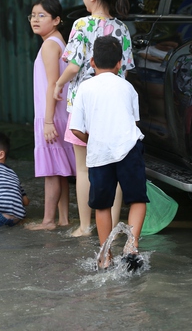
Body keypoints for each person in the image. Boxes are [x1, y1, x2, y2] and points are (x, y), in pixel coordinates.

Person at [54, 0, 135, 237]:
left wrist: (58, 84)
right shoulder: (123, 29)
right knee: (116, 162)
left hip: (83, 107)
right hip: (115, 109)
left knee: (84, 168)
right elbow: (125, 71)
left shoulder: (81, 25)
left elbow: (74, 64)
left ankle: (86, 226)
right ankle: (110, 228)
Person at [69, 35, 148, 270]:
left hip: (99, 153)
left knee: (102, 204)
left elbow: (75, 128)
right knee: (137, 199)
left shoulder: (84, 88)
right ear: (119, 64)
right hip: (128, 148)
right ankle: (131, 247)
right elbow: (133, 120)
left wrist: (92, 139)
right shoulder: (127, 87)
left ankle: (106, 255)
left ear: (92, 62)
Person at [25, 0, 75, 231]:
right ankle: (63, 219)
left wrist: (46, 121)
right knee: (61, 169)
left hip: (51, 115)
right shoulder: (58, 42)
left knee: (52, 172)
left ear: (56, 20)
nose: (35, 19)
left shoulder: (49, 45)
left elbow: (52, 84)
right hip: (58, 113)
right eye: (33, 15)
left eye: (41, 15)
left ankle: (48, 221)